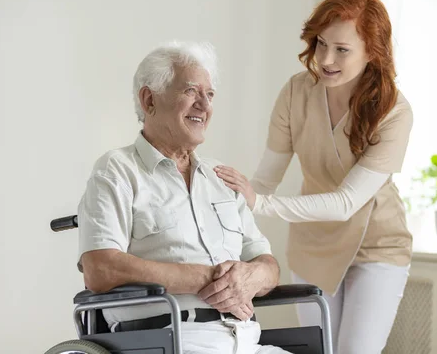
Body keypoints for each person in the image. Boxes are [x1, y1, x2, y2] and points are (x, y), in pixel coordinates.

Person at [214, 0, 413, 354]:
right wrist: (222, 214)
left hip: (377, 247)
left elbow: (345, 203)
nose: (324, 59)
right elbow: (265, 178)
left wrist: (260, 203)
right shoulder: (296, 93)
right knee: (321, 350)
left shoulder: (393, 112)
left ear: (373, 51)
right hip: (313, 246)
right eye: (321, 43)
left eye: (342, 49)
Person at [77, 41, 292, 354]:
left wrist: (251, 276)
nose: (204, 105)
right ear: (149, 100)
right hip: (171, 340)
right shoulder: (118, 170)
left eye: (210, 94)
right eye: (191, 91)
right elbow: (101, 269)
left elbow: (267, 263)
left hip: (247, 342)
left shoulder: (222, 177)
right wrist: (206, 278)